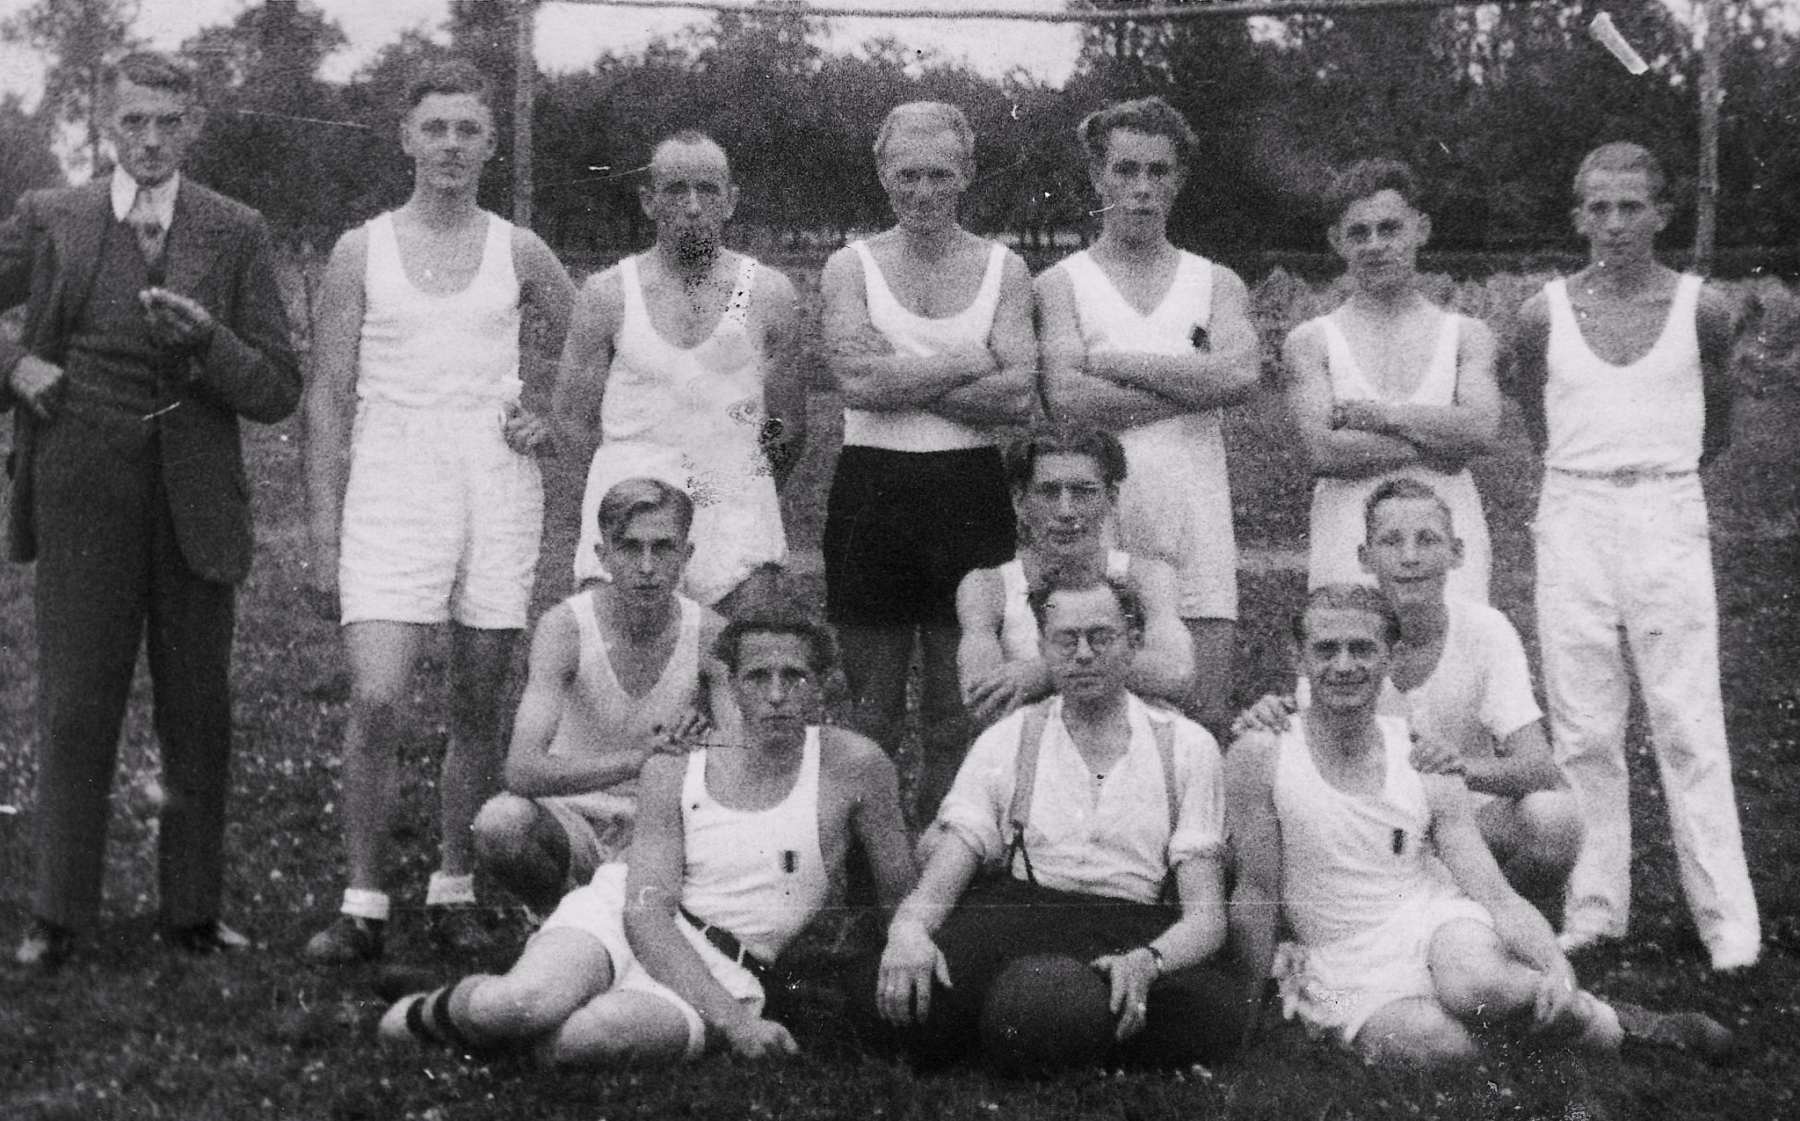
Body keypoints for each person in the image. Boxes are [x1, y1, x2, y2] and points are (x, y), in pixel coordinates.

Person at [2, 52, 300, 969]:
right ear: (107, 124)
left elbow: (278, 387)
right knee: (75, 706)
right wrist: (15, 365)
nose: (151, 140)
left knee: (197, 711)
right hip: (82, 496)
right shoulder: (54, 216)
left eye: (169, 121)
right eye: (134, 121)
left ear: (195, 123)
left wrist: (209, 343)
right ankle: (58, 914)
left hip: (194, 508)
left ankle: (193, 912)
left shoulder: (235, 229)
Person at [302, 60, 576, 963]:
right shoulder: (361, 250)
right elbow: (327, 398)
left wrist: (553, 417)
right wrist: (322, 533)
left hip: (495, 482)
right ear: (406, 139)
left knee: (476, 699)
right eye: (435, 128)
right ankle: (363, 902)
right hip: (392, 479)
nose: (451, 145)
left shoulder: (519, 249)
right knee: (377, 696)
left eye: (468, 130)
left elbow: (596, 339)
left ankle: (454, 885)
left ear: (491, 145)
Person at [377, 606, 917, 1065]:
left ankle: (496, 1026)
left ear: (820, 685)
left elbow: (901, 894)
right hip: (621, 919)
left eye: (794, 677)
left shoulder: (856, 767)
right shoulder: (681, 764)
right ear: (731, 685)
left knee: (588, 1038)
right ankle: (429, 1013)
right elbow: (645, 913)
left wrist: (910, 941)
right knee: (521, 1004)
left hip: (728, 967)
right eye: (758, 677)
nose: (776, 694)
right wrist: (736, 1026)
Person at [1225, 585, 1731, 1067]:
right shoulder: (1263, 754)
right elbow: (1256, 889)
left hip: (1432, 925)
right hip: (1337, 961)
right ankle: (1545, 1036)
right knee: (1437, 1045)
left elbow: (1494, 892)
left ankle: (1620, 1026)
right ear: (1299, 658)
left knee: (1478, 983)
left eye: (1362, 649)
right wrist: (1243, 1018)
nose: (1343, 665)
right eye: (1326, 649)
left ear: (1390, 658)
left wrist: (1555, 965)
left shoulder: (1420, 757)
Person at [1506, 142, 1759, 971]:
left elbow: (1716, 424)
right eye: (1599, 208)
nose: (1614, 224)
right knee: (1583, 722)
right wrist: (1590, 473)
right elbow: (1540, 418)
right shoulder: (1542, 314)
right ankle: (1594, 908)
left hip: (1665, 507)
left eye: (1631, 207)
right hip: (1573, 508)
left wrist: (1653, 474)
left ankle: (1727, 922)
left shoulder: (1702, 310)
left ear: (1662, 215)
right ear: (1578, 216)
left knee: (1687, 717)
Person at [870, 574, 1250, 1071]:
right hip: (1021, 912)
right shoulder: (1008, 737)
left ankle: (1033, 1029)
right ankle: (1060, 1031)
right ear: (1043, 648)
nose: (1084, 654)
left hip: (1135, 924)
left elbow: (1205, 917)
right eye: (1066, 640)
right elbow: (944, 875)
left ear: (1133, 642)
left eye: (1101, 637)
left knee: (1208, 1014)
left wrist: (1149, 961)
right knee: (894, 992)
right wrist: (909, 931)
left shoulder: (1186, 745)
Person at [818, 101, 1037, 817]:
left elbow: (1016, 396)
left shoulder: (1005, 268)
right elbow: (857, 384)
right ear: (882, 173)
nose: (922, 191)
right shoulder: (850, 266)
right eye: (907, 174)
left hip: (969, 490)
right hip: (872, 490)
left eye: (939, 175)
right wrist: (970, 360)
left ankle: (948, 845)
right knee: (872, 712)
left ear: (967, 173)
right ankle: (870, 861)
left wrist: (902, 374)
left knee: (958, 709)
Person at [1232, 479, 1581, 904]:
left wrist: (1453, 768)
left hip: (1468, 820)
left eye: (1427, 540)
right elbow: (1316, 747)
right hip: (1373, 821)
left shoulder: (1486, 630)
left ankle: (1500, 918)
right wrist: (1274, 718)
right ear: (1365, 557)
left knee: (1553, 819)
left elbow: (1538, 767)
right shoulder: (1345, 632)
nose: (1410, 557)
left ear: (1457, 553)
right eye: (1391, 541)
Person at [1037, 96, 1261, 736]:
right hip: (1100, 521)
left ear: (1178, 179)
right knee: (1096, 715)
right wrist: (1195, 385)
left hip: (1195, 519)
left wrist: (1112, 363)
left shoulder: (1216, 282)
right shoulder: (1061, 284)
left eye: (1158, 171)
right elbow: (1068, 399)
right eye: (1125, 169)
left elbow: (1240, 376)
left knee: (1203, 713)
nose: (1141, 187)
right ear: (1097, 176)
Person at [561, 129, 805, 614]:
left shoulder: (767, 292)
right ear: (649, 201)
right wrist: (622, 495)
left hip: (736, 518)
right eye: (676, 190)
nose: (693, 207)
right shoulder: (609, 293)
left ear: (730, 201)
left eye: (707, 190)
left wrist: (741, 488)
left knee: (741, 653)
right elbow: (572, 421)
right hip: (633, 517)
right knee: (620, 657)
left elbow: (789, 427)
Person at [471, 478, 729, 914]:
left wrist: (707, 750)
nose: (646, 566)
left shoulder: (711, 634)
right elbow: (521, 770)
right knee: (501, 823)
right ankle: (555, 914)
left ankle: (622, 921)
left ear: (686, 555)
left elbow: (740, 761)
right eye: (629, 548)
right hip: (571, 820)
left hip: (662, 826)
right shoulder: (566, 628)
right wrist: (639, 760)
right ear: (602, 554)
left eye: (663, 548)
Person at [1283, 158, 1501, 605]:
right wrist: (1442, 444)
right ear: (1336, 241)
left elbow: (1481, 429)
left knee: (1452, 646)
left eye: (1389, 229)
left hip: (1447, 534)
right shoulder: (1312, 340)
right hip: (1348, 534)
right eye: (1359, 233)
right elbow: (1324, 451)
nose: (1375, 245)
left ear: (1421, 229)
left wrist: (1382, 417)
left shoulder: (1466, 335)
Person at [954, 425, 1193, 733]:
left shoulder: (1146, 576)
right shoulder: (989, 587)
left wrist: (1045, 672)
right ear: (1020, 502)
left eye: (1083, 492)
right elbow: (981, 697)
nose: (1066, 511)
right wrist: (1107, 670)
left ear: (1111, 498)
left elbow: (1177, 673)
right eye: (1048, 492)